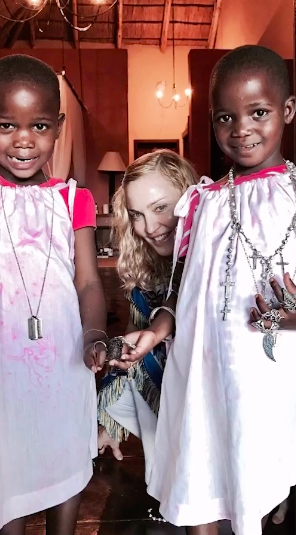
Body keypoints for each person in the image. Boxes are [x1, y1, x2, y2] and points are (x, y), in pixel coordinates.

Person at [117, 46, 296, 535]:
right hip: (199, 370)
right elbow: (180, 292)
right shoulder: (201, 202)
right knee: (203, 487)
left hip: (266, 376)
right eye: (225, 117)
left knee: (251, 480)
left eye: (258, 113)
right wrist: (154, 334)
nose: (241, 129)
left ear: (287, 111)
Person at [0, 55, 107, 535]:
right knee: (2, 472)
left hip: (59, 363)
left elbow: (89, 281)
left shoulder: (72, 200)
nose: (24, 140)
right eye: (7, 125)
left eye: (40, 126)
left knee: (61, 455)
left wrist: (94, 333)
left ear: (58, 126)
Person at [97, 150, 198, 485]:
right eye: (136, 214)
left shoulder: (217, 257)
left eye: (160, 207)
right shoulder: (146, 263)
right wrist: (109, 422)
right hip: (168, 392)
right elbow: (133, 331)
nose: (149, 227)